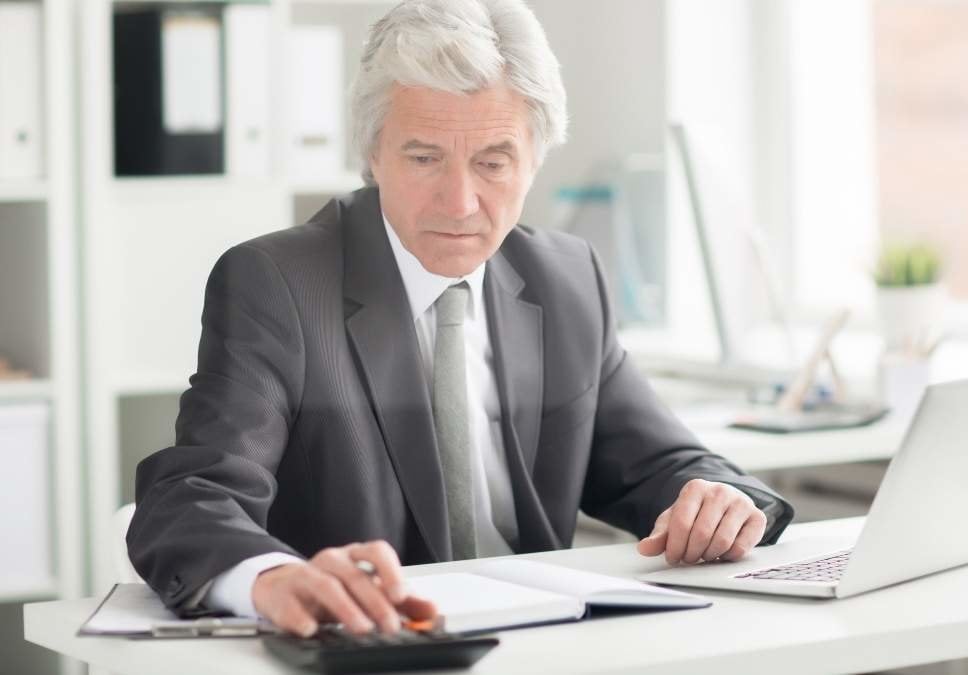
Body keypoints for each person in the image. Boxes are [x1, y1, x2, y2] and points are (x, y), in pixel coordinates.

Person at [127, 0, 795, 638]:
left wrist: (722, 499)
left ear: (533, 161)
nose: (460, 200)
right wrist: (271, 578)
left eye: (493, 162)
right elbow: (191, 493)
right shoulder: (278, 285)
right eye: (424, 158)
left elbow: (660, 464)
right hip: (366, 648)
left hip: (540, 643)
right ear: (372, 155)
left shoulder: (565, 279)